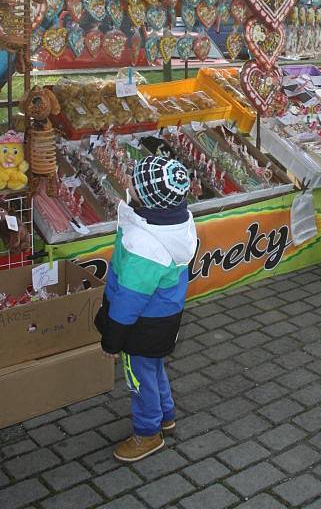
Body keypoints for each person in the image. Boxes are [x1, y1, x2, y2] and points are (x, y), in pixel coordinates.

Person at [95, 155, 197, 462]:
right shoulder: (175, 222)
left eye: (135, 182)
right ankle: (166, 414)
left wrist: (112, 338)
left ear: (148, 197)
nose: (129, 184)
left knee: (138, 378)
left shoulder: (145, 244)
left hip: (141, 323)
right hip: (163, 316)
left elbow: (129, 299)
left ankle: (148, 432)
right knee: (153, 367)